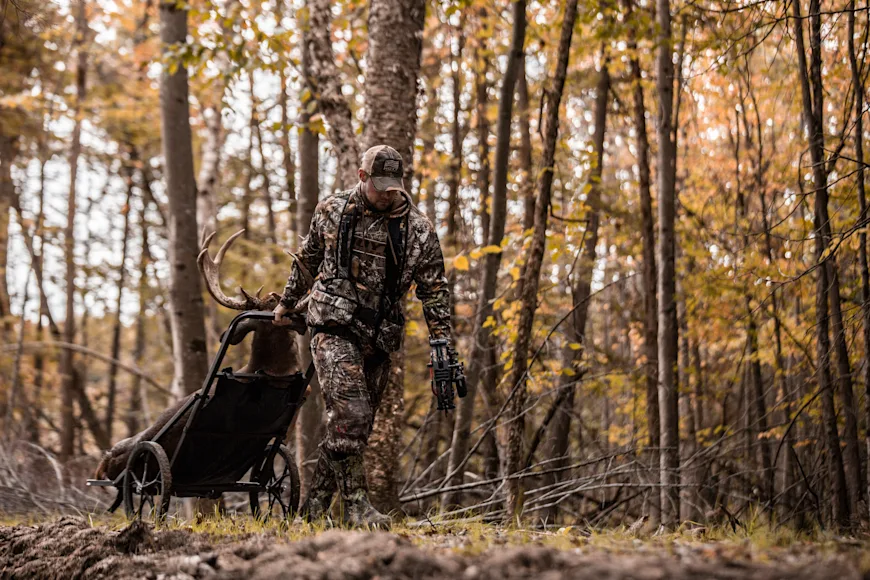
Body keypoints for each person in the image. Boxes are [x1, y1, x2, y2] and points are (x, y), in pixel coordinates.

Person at [273, 145, 456, 528]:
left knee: (353, 425)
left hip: (379, 336)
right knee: (352, 414)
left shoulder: (419, 230)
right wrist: (287, 303)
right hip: (332, 326)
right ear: (361, 177)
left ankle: (311, 514)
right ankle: (356, 507)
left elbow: (435, 290)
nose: (388, 193)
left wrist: (442, 343)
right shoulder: (331, 210)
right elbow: (307, 259)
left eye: (395, 186)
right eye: (379, 185)